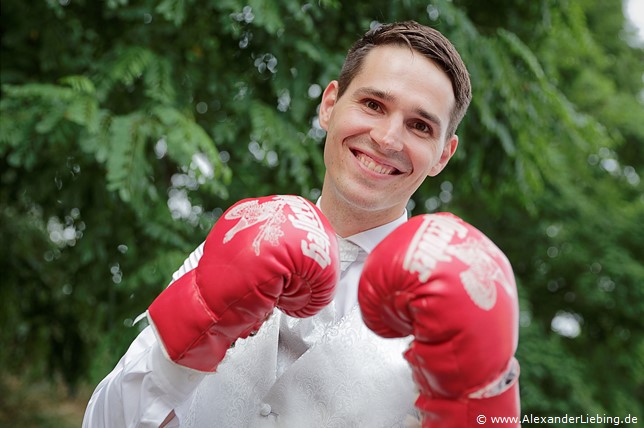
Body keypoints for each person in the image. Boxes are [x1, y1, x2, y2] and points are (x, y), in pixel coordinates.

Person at [83, 21, 519, 427]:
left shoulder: (457, 305)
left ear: (444, 154)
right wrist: (185, 341)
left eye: (420, 125)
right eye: (372, 103)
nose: (387, 139)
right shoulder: (236, 238)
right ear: (330, 105)